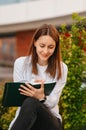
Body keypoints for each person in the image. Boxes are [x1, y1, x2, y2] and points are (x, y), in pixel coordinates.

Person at [8, 24, 68, 130]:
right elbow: (19, 99)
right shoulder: (20, 63)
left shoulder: (62, 68)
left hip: (51, 121)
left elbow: (54, 101)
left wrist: (41, 97)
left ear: (56, 47)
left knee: (32, 101)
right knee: (30, 102)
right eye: (42, 45)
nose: (45, 51)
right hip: (27, 119)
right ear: (35, 42)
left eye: (50, 47)